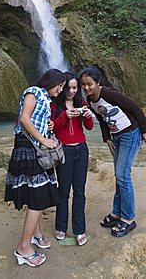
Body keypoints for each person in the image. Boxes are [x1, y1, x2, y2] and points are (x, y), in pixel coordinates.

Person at [79, 67, 146, 238]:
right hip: (117, 137)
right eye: (83, 85)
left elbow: (134, 107)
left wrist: (145, 129)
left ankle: (128, 218)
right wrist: (107, 138)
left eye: (89, 84)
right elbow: (101, 119)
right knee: (119, 175)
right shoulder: (90, 100)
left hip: (131, 134)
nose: (86, 88)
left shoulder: (109, 94)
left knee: (123, 175)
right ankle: (117, 213)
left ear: (98, 82)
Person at [5, 69, 66, 267]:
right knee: (38, 197)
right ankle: (23, 248)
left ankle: (35, 234)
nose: (61, 89)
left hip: (36, 148)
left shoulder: (47, 99)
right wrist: (43, 139)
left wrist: (47, 126)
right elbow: (24, 118)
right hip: (28, 147)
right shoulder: (34, 91)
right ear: (53, 82)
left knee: (37, 193)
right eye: (60, 85)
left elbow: (35, 120)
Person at [50, 71, 94, 246]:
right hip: (64, 151)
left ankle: (79, 229)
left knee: (80, 190)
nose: (72, 91)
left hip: (81, 150)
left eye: (75, 87)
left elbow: (89, 128)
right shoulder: (54, 105)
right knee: (63, 190)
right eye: (68, 87)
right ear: (62, 87)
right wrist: (64, 116)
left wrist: (88, 116)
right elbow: (52, 129)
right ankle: (61, 226)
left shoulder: (81, 103)